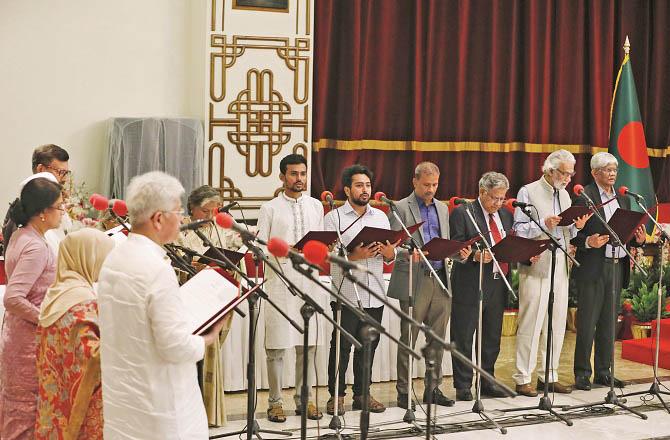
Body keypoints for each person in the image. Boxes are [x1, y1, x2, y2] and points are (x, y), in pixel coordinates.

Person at [97, 171, 228, 439]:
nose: (182, 220)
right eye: (178, 212)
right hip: (159, 405)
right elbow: (175, 347)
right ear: (158, 219)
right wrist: (208, 337)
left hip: (122, 398)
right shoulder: (156, 269)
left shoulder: (114, 258)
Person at [387, 162, 470, 408]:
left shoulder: (443, 209)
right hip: (415, 278)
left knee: (437, 340)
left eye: (434, 184)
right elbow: (393, 245)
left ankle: (432, 389)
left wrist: (459, 253)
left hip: (441, 277)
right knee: (408, 338)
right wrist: (406, 253)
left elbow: (444, 245)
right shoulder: (400, 208)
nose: (430, 189)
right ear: (415, 182)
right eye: (426, 185)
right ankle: (403, 391)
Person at [512, 150, 591, 396]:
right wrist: (544, 225)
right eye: (564, 173)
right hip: (537, 261)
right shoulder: (528, 191)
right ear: (549, 170)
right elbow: (518, 229)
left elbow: (568, 234)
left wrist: (577, 228)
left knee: (557, 321)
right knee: (532, 321)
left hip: (561, 261)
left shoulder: (566, 195)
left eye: (570, 173)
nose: (568, 178)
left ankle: (549, 375)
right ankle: (523, 377)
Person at [324, 164, 398, 415]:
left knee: (368, 347)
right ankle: (336, 396)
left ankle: (362, 394)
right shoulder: (333, 218)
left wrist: (390, 253)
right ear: (347, 189)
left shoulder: (380, 217)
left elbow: (389, 253)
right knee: (341, 348)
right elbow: (326, 256)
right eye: (359, 185)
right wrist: (352, 257)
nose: (364, 189)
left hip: (374, 294)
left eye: (367, 185)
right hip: (345, 293)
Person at [256, 154, 326, 422]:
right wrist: (288, 251)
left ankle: (304, 399)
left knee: (306, 346)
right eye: (294, 174)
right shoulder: (270, 208)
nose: (300, 179)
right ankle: (275, 402)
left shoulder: (316, 206)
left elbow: (318, 241)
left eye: (303, 173)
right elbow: (260, 248)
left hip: (310, 282)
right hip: (280, 284)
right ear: (282, 177)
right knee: (277, 347)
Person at [571, 152, 646, 391]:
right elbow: (573, 233)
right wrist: (587, 241)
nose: (612, 173)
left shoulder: (623, 200)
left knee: (608, 324)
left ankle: (604, 372)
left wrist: (639, 240)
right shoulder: (586, 197)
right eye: (607, 169)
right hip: (594, 268)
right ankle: (582, 373)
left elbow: (623, 232)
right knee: (588, 323)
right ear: (594, 173)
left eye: (614, 169)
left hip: (616, 266)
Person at [35, 228, 115, 439]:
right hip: (80, 407)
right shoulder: (83, 300)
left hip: (54, 397)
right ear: (87, 256)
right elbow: (91, 359)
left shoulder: (57, 291)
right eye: (103, 257)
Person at [0, 176, 63, 439]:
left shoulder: (21, 234)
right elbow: (13, 297)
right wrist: (48, 319)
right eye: (59, 207)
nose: (63, 212)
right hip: (28, 342)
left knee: (20, 412)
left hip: (20, 336)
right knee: (25, 416)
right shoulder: (35, 246)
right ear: (43, 213)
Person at [177, 184, 242, 427]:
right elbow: (174, 260)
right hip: (191, 299)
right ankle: (189, 413)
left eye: (216, 210)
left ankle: (208, 413)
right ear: (192, 208)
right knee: (190, 356)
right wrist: (192, 267)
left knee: (210, 353)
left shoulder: (221, 228)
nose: (210, 216)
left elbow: (238, 249)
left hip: (217, 298)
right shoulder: (182, 229)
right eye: (206, 210)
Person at [449, 171, 513, 400]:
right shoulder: (463, 213)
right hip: (470, 282)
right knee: (464, 335)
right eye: (495, 198)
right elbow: (456, 246)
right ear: (482, 192)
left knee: (491, 337)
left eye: (502, 198)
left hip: (497, 281)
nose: (499, 203)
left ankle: (487, 381)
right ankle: (463, 385)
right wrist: (475, 256)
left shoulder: (505, 215)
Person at [2, 144, 71, 256]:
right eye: (60, 172)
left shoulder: (54, 203)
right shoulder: (26, 212)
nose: (64, 179)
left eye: (66, 173)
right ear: (41, 169)